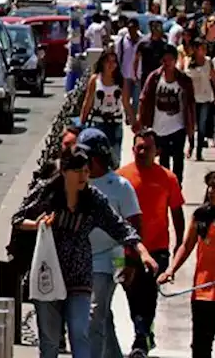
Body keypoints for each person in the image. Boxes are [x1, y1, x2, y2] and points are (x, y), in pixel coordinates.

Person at [13, 148, 155, 358]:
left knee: (81, 332)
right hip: (48, 273)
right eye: (78, 171)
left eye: (87, 171)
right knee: (50, 340)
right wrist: (37, 225)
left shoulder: (93, 198)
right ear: (64, 171)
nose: (84, 176)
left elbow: (120, 227)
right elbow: (17, 219)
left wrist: (142, 251)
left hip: (80, 273)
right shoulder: (47, 192)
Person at [118, 130, 187, 358]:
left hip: (157, 248)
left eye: (147, 148)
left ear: (158, 151)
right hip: (125, 249)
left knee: (148, 292)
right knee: (131, 293)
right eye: (139, 147)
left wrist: (179, 243)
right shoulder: (121, 177)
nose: (142, 151)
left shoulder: (168, 178)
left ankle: (140, 339)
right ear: (133, 149)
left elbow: (177, 212)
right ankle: (144, 332)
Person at [78, 129, 142, 358]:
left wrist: (131, 262)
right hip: (79, 257)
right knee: (101, 315)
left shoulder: (120, 186)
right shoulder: (76, 181)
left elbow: (134, 225)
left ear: (96, 157)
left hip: (110, 256)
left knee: (94, 314)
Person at [159, 165, 215, 358]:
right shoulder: (201, 216)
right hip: (203, 292)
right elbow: (186, 245)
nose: (210, 191)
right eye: (209, 186)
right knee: (200, 347)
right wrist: (171, 270)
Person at [138, 44, 198, 183]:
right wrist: (141, 123)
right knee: (163, 160)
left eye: (170, 59)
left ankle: (177, 187)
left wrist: (191, 132)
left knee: (178, 159)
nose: (167, 63)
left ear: (176, 60)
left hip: (178, 127)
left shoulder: (184, 80)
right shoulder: (154, 78)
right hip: (159, 128)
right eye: (165, 60)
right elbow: (144, 99)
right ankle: (165, 188)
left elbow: (190, 105)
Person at [80, 49, 134, 165]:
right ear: (102, 63)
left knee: (115, 158)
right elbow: (88, 102)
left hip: (115, 123)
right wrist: (82, 122)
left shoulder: (121, 81)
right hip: (98, 122)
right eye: (108, 61)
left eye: (114, 62)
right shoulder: (95, 80)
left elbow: (126, 103)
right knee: (97, 158)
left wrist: (134, 123)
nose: (111, 65)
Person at [185, 43, 215, 162]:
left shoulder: (208, 61)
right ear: (196, 49)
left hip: (205, 97)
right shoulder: (189, 62)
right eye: (202, 49)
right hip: (192, 98)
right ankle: (191, 145)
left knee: (201, 126)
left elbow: (214, 77)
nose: (204, 51)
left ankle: (199, 152)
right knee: (191, 125)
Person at [117, 18, 145, 106]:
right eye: (129, 28)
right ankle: (128, 118)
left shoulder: (143, 41)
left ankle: (134, 118)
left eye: (133, 27)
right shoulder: (122, 41)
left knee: (137, 101)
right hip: (125, 75)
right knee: (125, 100)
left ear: (137, 28)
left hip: (138, 76)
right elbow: (118, 57)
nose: (131, 30)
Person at [137, 20, 170, 86]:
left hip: (159, 76)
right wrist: (136, 75)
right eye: (156, 27)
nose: (158, 30)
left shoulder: (164, 44)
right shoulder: (143, 43)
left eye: (160, 27)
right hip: (146, 76)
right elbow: (136, 59)